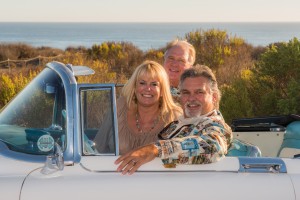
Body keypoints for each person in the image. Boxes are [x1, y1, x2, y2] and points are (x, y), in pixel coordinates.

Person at [115, 64, 232, 175]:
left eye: (199, 92)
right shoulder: (177, 124)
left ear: (214, 97)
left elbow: (213, 147)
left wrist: (156, 149)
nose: (191, 98)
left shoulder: (215, 125)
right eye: (186, 92)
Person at [94, 60, 182, 155]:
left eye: (154, 84)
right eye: (142, 83)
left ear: (162, 90)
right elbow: (98, 147)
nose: (147, 89)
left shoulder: (175, 116)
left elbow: (182, 151)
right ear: (134, 87)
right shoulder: (120, 106)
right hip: (115, 169)